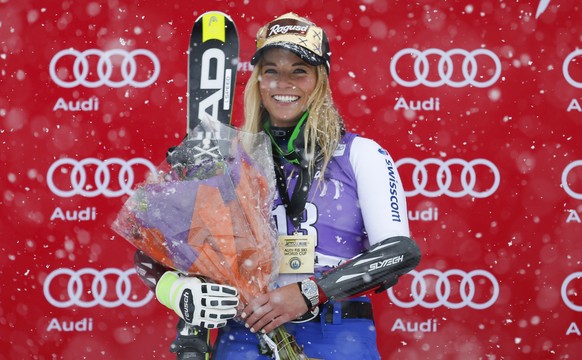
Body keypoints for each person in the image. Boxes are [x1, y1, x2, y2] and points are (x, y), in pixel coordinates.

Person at [135, 12, 421, 360]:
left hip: (337, 333)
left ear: (320, 80)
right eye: (271, 70)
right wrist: (177, 290)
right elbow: (154, 253)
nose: (283, 82)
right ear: (257, 80)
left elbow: (398, 252)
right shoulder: (225, 160)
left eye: (299, 70)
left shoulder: (361, 154)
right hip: (245, 334)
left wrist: (309, 293)